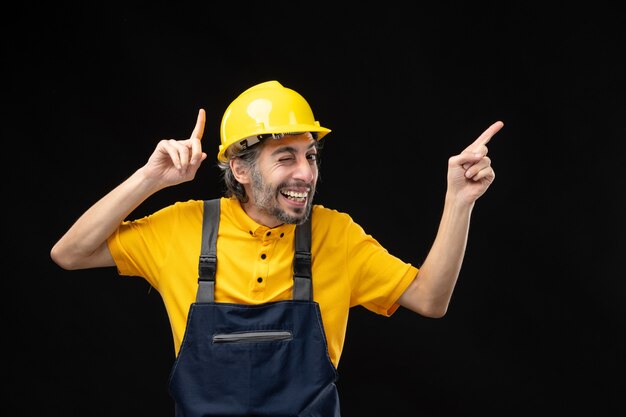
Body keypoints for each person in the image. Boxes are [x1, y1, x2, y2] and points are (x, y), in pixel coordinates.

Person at [51, 80, 504, 416]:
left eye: (310, 156)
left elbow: (430, 300)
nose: (305, 173)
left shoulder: (334, 234)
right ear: (242, 170)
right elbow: (70, 253)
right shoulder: (182, 227)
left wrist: (458, 202)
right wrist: (149, 179)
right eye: (285, 158)